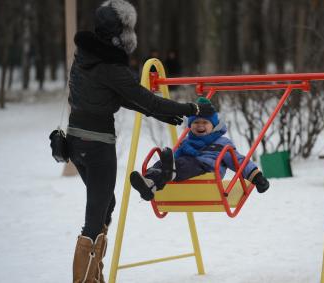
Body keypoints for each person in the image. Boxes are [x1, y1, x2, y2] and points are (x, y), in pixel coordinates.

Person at [65, 1, 214, 282]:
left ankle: (94, 275)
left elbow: (122, 98)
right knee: (95, 216)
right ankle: (85, 280)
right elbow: (143, 96)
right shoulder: (112, 67)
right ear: (122, 36)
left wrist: (159, 113)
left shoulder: (84, 56)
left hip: (76, 142)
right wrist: (190, 109)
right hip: (98, 146)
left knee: (105, 205)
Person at [130, 97, 270, 201]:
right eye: (196, 122)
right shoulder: (186, 141)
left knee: (184, 163)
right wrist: (169, 159)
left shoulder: (222, 143)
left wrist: (257, 177)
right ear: (190, 126)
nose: (200, 125)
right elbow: (174, 156)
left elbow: (239, 161)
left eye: (205, 122)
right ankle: (148, 183)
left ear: (214, 125)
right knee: (162, 163)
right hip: (183, 167)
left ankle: (170, 171)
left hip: (206, 168)